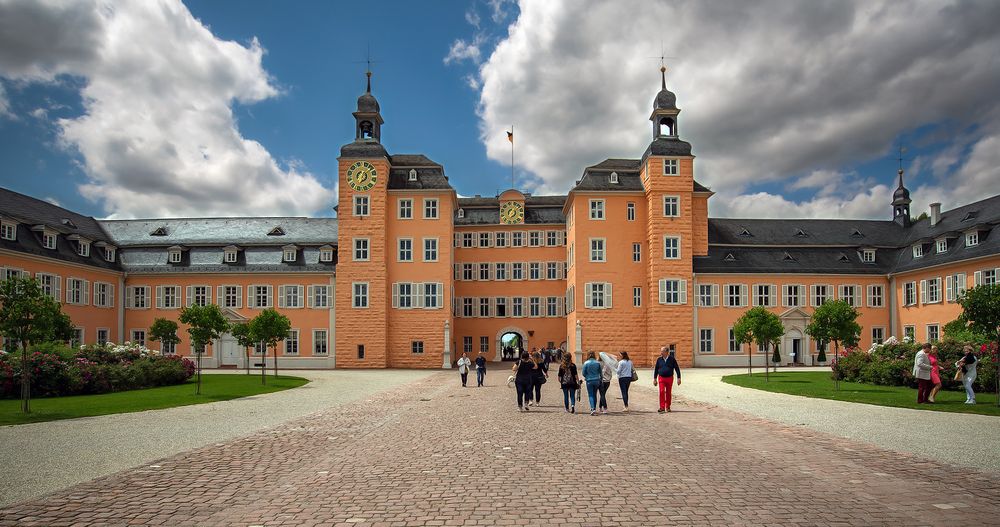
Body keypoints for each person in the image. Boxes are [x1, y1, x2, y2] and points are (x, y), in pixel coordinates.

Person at [652, 345, 682, 413]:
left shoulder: (672, 359)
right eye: (661, 351)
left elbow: (677, 368)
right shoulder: (659, 359)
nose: (661, 352)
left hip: (669, 378)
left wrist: (679, 378)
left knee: (668, 393)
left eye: (662, 351)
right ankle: (662, 407)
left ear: (667, 352)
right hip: (661, 378)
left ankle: (668, 407)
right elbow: (656, 369)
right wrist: (654, 378)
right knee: (662, 392)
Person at [582, 351, 602, 416]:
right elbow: (600, 372)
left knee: (590, 395)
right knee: (595, 394)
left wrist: (587, 376)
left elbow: (583, 373)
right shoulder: (597, 363)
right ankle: (594, 408)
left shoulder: (586, 363)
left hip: (589, 380)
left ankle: (592, 408)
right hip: (597, 380)